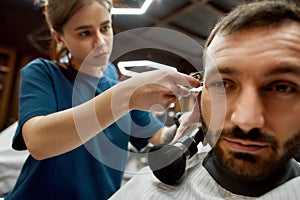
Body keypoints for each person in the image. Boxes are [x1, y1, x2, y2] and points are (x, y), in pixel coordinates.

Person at [4, 0, 200, 199]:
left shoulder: (118, 88)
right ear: (59, 37)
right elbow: (38, 142)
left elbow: (159, 136)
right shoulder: (44, 74)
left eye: (105, 28)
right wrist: (126, 95)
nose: (100, 42)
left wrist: (189, 122)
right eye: (84, 33)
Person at [109, 1, 300, 199]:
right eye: (223, 85)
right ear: (201, 101)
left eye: (282, 88)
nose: (246, 120)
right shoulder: (144, 192)